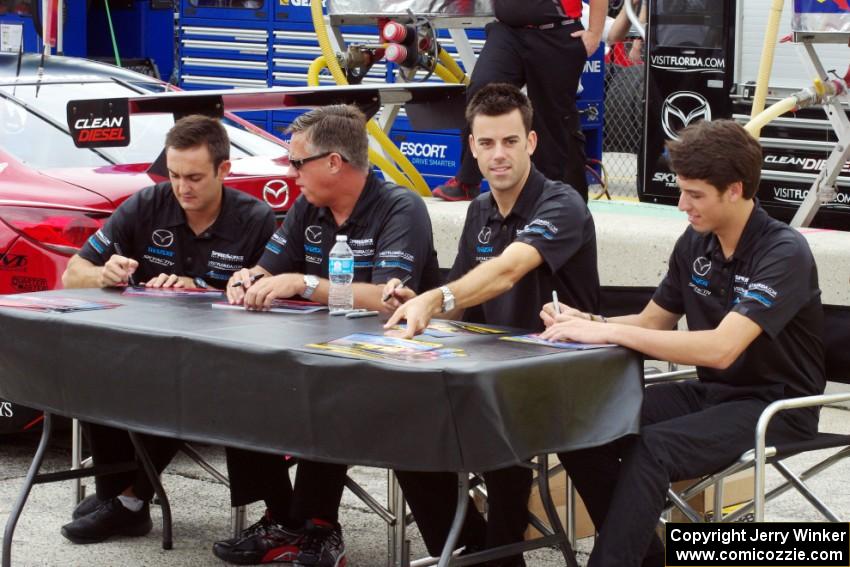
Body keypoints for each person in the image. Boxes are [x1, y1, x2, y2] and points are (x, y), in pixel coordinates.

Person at [542, 119, 824, 567]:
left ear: (735, 190)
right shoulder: (695, 242)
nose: (681, 205)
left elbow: (721, 348)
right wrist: (587, 321)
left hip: (778, 407)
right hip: (714, 394)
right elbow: (655, 321)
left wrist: (608, 331)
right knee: (583, 425)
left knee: (655, 447)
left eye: (695, 195)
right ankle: (646, 557)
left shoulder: (784, 251)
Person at [213, 104, 440, 567]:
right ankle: (283, 519)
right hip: (314, 354)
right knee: (236, 381)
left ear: (334, 162)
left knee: (328, 392)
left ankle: (318, 528)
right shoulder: (308, 206)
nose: (292, 173)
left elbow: (390, 299)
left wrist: (305, 284)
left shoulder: (400, 206)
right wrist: (247, 277)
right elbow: (268, 266)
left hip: (389, 368)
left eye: (298, 163)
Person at [383, 84, 599, 566]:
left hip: (567, 378)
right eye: (486, 143)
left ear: (532, 143)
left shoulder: (561, 203)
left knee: (502, 439)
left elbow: (505, 272)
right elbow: (463, 299)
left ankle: (499, 556)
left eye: (510, 141)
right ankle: (467, 548)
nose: (498, 155)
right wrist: (420, 302)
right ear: (472, 148)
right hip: (493, 372)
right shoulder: (479, 209)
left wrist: (438, 297)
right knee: (399, 426)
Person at [60, 114, 276, 543]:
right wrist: (106, 275)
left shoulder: (255, 218)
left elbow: (273, 298)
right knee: (90, 367)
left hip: (221, 359)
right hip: (142, 349)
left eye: (194, 177)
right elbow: (73, 274)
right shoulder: (147, 203)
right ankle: (120, 495)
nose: (183, 188)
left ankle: (127, 500)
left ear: (224, 171)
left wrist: (199, 289)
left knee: (182, 385)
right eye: (175, 176)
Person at [432, 0, 608, 202]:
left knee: (555, 119)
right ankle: (467, 181)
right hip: (508, 31)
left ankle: (567, 198)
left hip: (556, 33)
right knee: (481, 90)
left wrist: (595, 33)